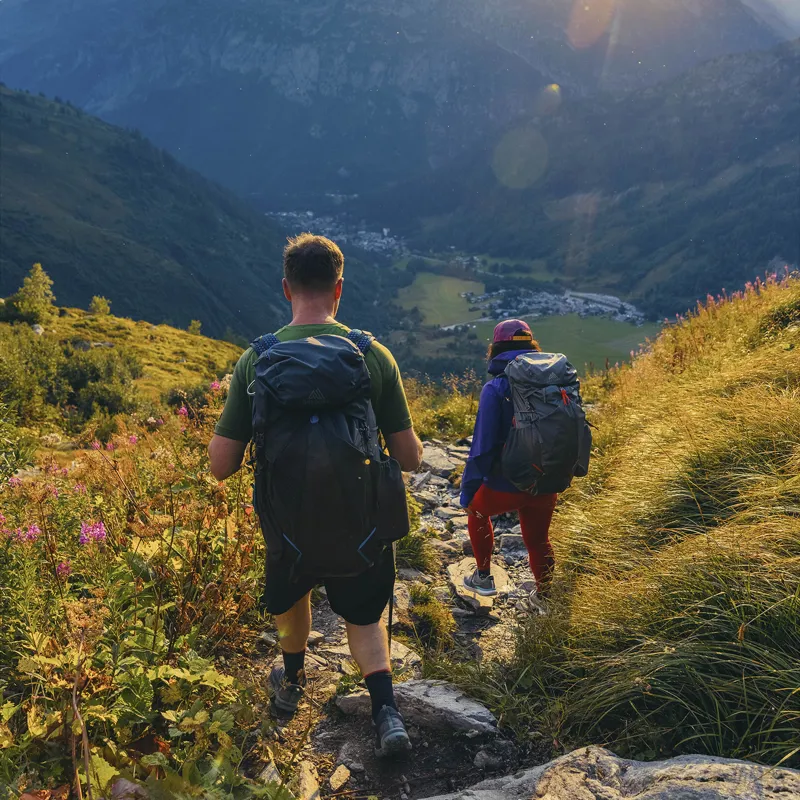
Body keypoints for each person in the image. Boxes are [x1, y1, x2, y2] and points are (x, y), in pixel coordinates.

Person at [208, 233, 423, 755]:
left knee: (294, 596)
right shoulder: (373, 357)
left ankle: (291, 681)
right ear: (339, 290)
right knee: (364, 617)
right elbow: (411, 457)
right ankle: (386, 712)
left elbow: (221, 466)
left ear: (286, 288)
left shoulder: (255, 362)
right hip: (362, 521)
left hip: (288, 522)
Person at [460, 320, 558, 602]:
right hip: (547, 479)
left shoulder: (496, 388)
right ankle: (545, 597)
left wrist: (468, 492)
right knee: (539, 540)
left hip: (505, 484)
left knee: (477, 511)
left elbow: (482, 449)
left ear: (496, 349)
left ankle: (483, 577)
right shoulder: (554, 381)